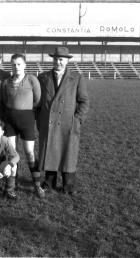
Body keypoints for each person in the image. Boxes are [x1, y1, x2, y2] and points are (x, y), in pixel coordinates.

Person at [36, 46, 89, 195]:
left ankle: (68, 185)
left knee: (68, 153)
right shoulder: (43, 77)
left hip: (68, 124)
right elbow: (38, 102)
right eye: (56, 59)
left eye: (61, 59)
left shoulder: (76, 78)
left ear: (66, 61)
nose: (58, 62)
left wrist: (77, 120)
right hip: (48, 122)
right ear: (52, 60)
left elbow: (84, 101)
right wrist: (39, 120)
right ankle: (48, 182)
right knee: (50, 151)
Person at [0, 53, 44, 198]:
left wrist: (25, 110)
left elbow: (37, 100)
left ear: (24, 65)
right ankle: (11, 186)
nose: (16, 67)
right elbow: (5, 101)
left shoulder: (32, 80)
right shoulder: (6, 82)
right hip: (10, 121)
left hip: (27, 120)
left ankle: (37, 185)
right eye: (13, 64)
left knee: (30, 152)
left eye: (19, 64)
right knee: (12, 154)